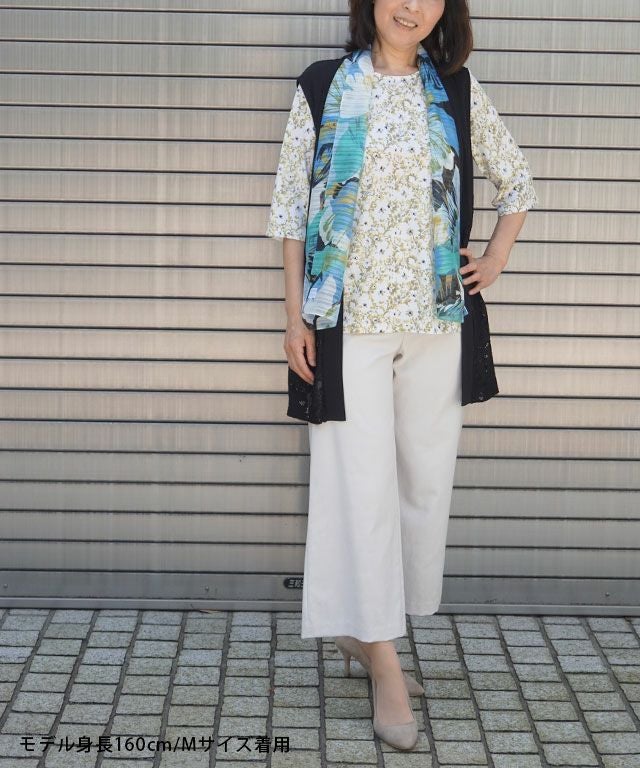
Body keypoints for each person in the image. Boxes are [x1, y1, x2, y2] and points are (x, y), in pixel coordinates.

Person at [266, 0, 537, 751]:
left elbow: (517, 182)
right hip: (345, 322)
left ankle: (367, 630)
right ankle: (383, 661)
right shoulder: (322, 86)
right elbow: (291, 211)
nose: (410, 6)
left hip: (438, 323)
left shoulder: (456, 90)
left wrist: (496, 257)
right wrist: (294, 318)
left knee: (422, 486)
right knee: (358, 488)